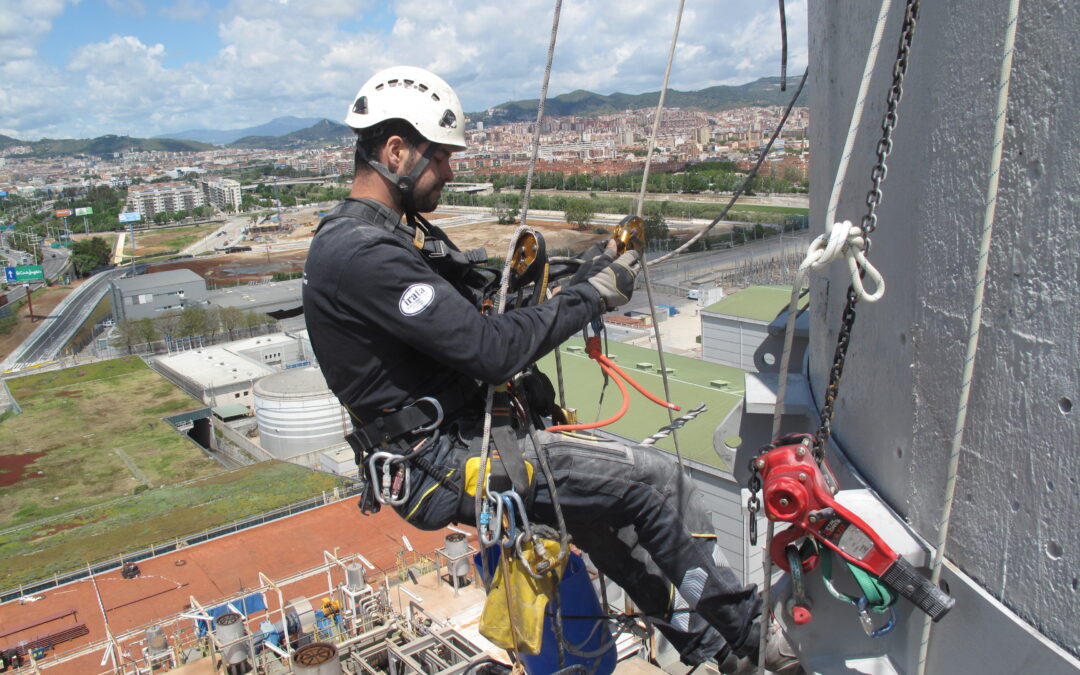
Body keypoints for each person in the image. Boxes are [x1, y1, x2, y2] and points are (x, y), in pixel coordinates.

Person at [302, 65, 797, 673]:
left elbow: (486, 303)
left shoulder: (381, 239)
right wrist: (594, 296)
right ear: (396, 151)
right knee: (653, 482)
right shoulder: (362, 255)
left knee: (603, 514)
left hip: (442, 451)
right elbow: (491, 349)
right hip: (444, 460)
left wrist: (584, 270)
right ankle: (750, 635)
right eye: (441, 159)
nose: (450, 173)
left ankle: (713, 646)